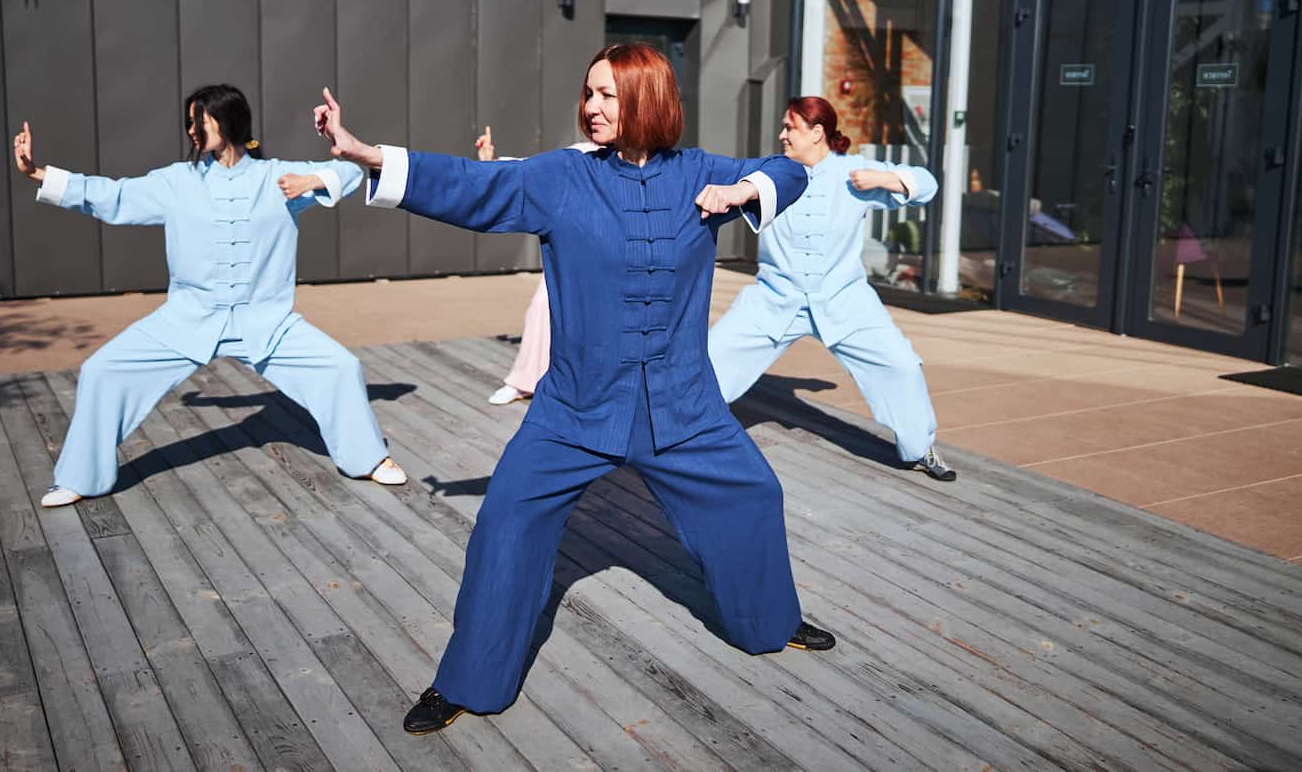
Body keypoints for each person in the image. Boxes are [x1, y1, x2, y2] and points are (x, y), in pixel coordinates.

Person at [313, 43, 835, 735]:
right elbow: (471, 185)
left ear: (648, 98)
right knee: (506, 520)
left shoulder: (701, 174)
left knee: (753, 493)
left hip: (683, 406)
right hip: (576, 407)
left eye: (607, 95)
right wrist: (364, 153)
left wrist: (745, 192)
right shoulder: (562, 177)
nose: (590, 107)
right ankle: (468, 679)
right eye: (587, 93)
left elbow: (788, 171)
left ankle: (770, 619)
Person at [13, 83, 406, 508]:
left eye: (201, 119)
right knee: (101, 371)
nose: (193, 129)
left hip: (266, 322)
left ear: (229, 120)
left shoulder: (277, 177)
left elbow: (350, 172)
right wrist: (39, 173)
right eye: (189, 121)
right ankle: (80, 477)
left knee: (342, 368)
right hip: (188, 318)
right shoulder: (177, 181)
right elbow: (114, 195)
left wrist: (313, 178)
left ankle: (367, 459)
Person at [708, 96, 956, 481]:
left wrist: (885, 180)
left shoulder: (854, 171)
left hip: (845, 298)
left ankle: (918, 448)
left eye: (789, 127)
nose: (782, 135)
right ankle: (681, 437)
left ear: (817, 133)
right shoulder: (773, 172)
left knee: (901, 366)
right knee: (710, 358)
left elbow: (929, 184)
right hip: (775, 297)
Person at [471, 125, 601, 406]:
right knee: (541, 308)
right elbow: (532, 172)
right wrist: (493, 163)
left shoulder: (644, 158)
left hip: (618, 259)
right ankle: (524, 381)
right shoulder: (579, 154)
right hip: (574, 257)